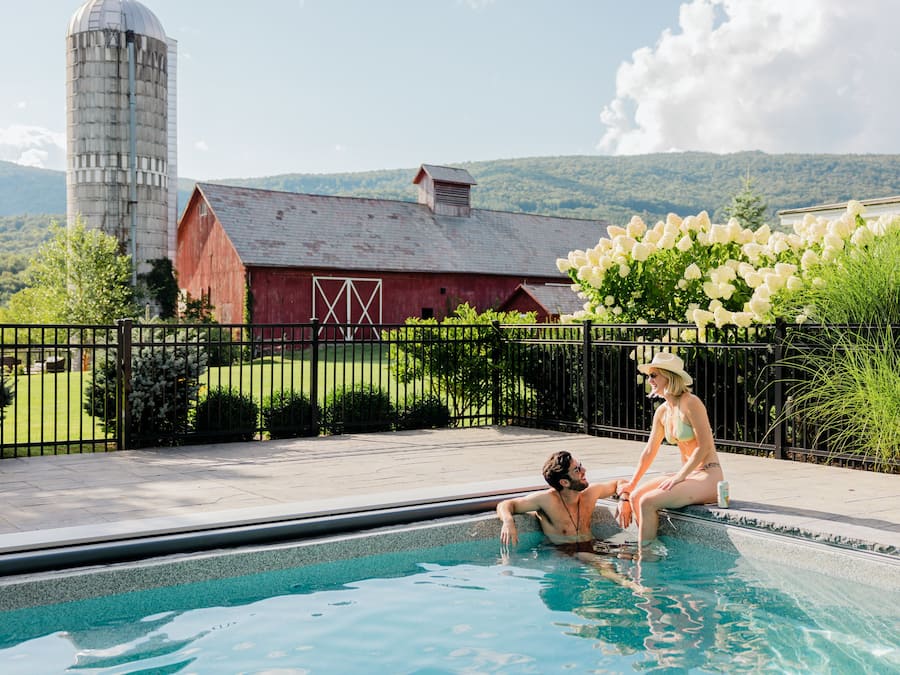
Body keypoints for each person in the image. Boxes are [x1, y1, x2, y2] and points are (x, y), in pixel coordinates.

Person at [616, 352, 724, 547]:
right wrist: (632, 483)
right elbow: (650, 450)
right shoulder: (663, 410)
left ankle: (645, 558)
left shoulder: (691, 402)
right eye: (648, 375)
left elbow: (705, 446)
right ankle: (651, 547)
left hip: (708, 475)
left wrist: (679, 477)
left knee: (647, 502)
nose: (649, 380)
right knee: (636, 496)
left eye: (654, 375)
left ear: (669, 377)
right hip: (688, 476)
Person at [497, 450, 626, 546]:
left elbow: (620, 483)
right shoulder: (547, 500)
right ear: (564, 482)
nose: (584, 470)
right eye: (577, 470)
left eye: (580, 465)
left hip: (593, 547)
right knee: (610, 573)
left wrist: (624, 500)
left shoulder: (590, 493)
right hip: (565, 555)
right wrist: (508, 522)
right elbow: (506, 504)